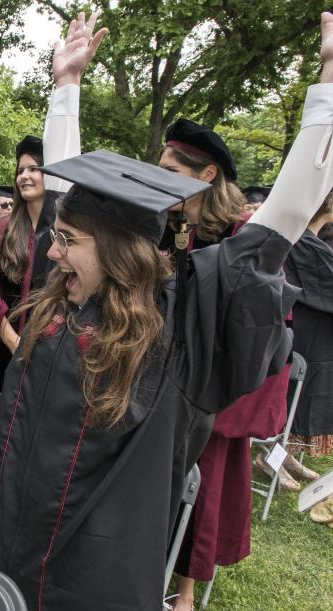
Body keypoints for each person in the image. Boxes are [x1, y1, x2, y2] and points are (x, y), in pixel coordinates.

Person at [0, 13, 333, 609]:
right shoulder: (64, 301)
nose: (53, 249)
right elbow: (66, 193)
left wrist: (327, 92)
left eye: (68, 240)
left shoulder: (183, 328)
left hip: (90, 578)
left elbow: (280, 224)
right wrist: (66, 87)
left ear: (121, 252)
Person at [0, 12, 104, 467]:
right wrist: (9, 335)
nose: (24, 175)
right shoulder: (7, 229)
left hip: (57, 343)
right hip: (8, 346)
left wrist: (67, 86)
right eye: (19, 169)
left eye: (34, 167)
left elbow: (66, 171)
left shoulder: (64, 222)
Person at [160, 120, 295, 607]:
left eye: (171, 168)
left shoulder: (241, 237)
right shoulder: (167, 229)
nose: (162, 177)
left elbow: (263, 327)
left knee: (206, 485)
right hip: (159, 374)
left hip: (211, 386)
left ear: (206, 174)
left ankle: (187, 591)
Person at [287, 192, 333, 457]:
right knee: (296, 399)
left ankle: (285, 457)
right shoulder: (305, 244)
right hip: (306, 336)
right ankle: (277, 456)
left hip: (304, 332)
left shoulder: (303, 239)